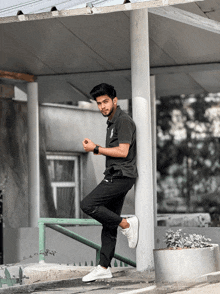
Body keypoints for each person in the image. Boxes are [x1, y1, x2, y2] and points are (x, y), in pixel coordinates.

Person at [80, 83, 138, 282]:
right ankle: (104, 267)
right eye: (99, 103)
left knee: (87, 204)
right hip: (117, 174)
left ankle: (126, 223)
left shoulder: (123, 121)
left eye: (105, 102)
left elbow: (123, 152)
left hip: (120, 176)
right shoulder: (112, 122)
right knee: (108, 223)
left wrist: (96, 148)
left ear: (115, 100)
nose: (102, 106)